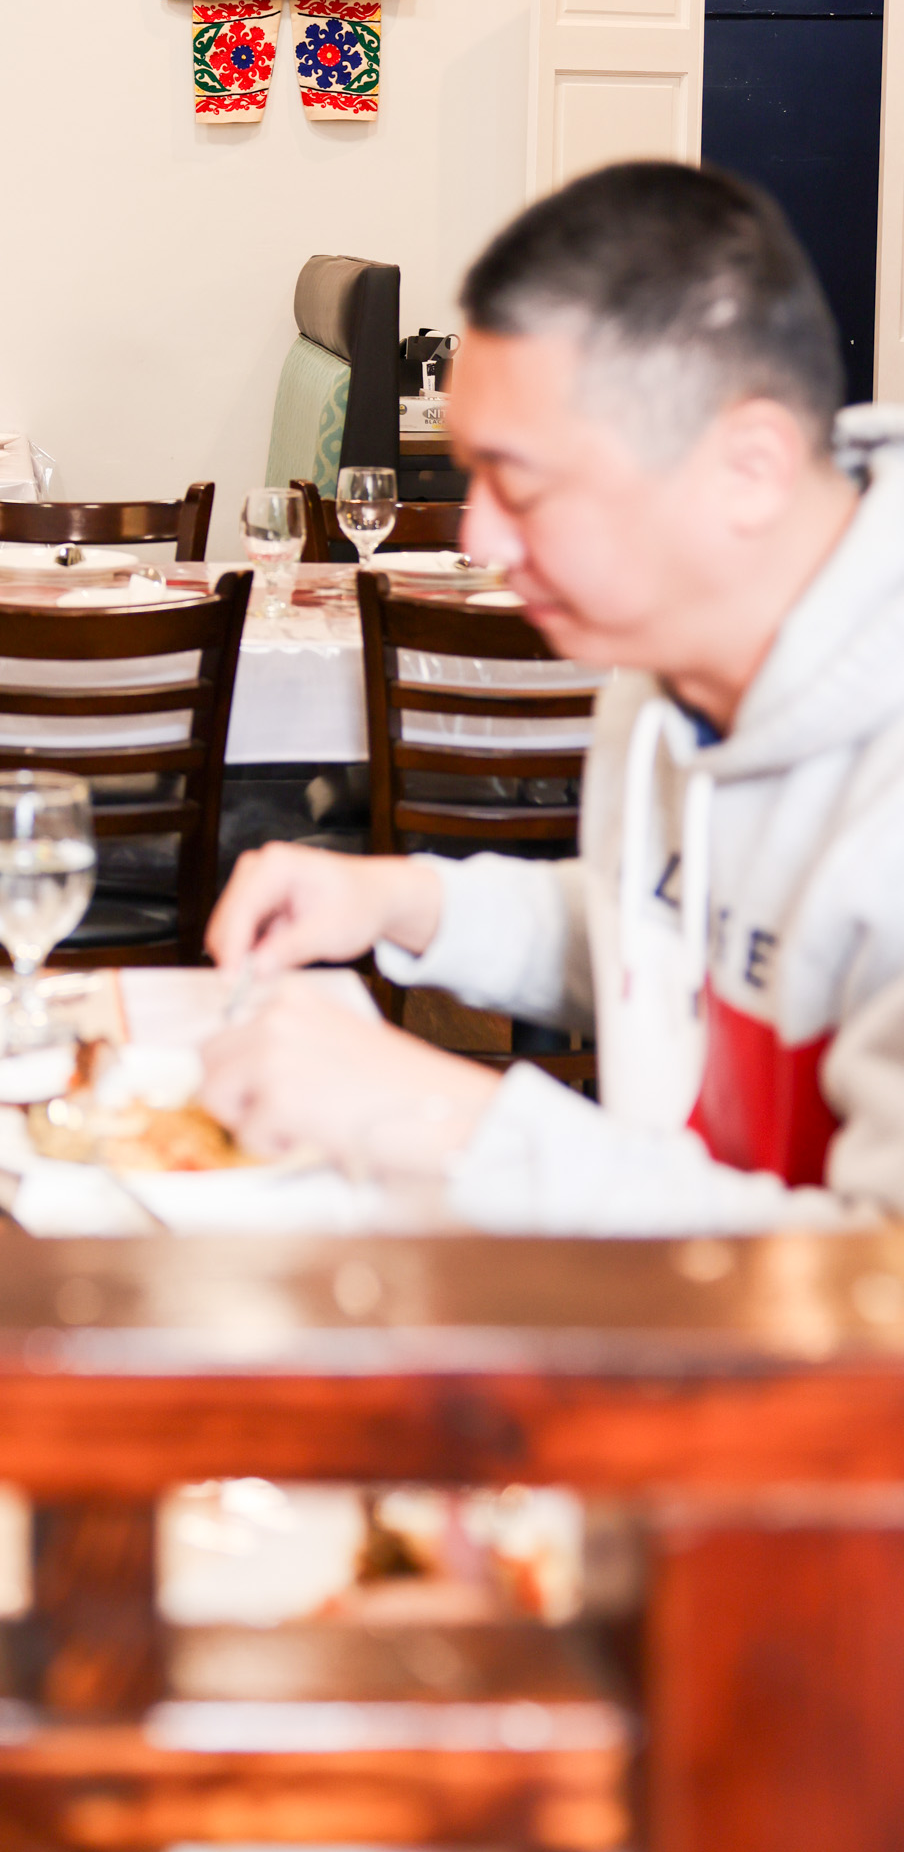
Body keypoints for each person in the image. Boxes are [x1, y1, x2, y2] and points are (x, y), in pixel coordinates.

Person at [201, 161, 904, 1232]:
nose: (479, 536)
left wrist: (447, 1113)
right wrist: (400, 902)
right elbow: (654, 936)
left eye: (520, 485)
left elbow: (876, 1302)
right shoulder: (657, 675)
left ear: (748, 467)